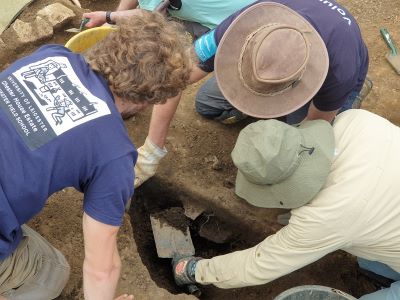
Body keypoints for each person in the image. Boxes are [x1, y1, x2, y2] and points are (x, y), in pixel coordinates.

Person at [0, 12, 191, 300]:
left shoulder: (53, 55)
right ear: (146, 101)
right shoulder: (113, 153)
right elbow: (101, 270)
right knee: (52, 271)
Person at [133, 0, 371, 188]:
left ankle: (345, 105)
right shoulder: (242, 24)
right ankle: (267, 99)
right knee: (207, 105)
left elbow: (315, 129)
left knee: (298, 150)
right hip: (286, 52)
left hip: (331, 79)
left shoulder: (339, 72)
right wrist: (152, 150)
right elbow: (177, 77)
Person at [172, 109, 400, 300]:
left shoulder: (329, 216)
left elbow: (257, 265)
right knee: (371, 258)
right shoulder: (356, 120)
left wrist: (194, 270)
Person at [82, 0, 255, 40]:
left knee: (207, 104)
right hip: (270, 7)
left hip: (244, 29)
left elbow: (149, 16)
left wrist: (108, 17)